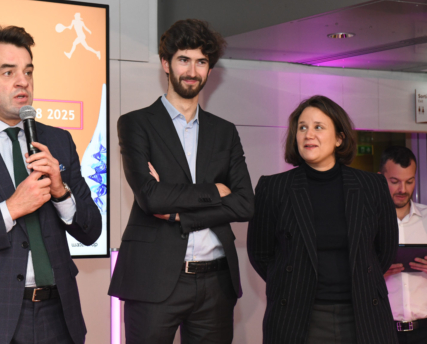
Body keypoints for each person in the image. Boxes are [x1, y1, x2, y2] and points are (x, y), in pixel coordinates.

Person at [0, 24, 102, 344]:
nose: (23, 81)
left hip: (58, 316)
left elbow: (91, 230)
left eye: (28, 71)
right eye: (8, 72)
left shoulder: (58, 141)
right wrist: (9, 210)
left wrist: (60, 193)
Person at [108, 19, 254, 344]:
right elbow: (151, 198)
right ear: (166, 63)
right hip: (152, 279)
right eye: (183, 59)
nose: (192, 70)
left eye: (201, 62)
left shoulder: (224, 131)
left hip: (216, 281)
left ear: (209, 70)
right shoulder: (135, 124)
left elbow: (245, 204)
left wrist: (180, 215)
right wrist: (216, 191)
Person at [247, 95, 398, 344]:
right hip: (297, 317)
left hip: (364, 315)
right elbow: (260, 254)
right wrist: (292, 283)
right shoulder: (272, 188)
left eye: (318, 127)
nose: (308, 134)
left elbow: (385, 250)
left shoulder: (372, 186)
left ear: (339, 138)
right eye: (302, 127)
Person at [381, 146, 427, 343]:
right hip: (382, 330)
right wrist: (374, 275)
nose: (403, 189)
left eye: (409, 181)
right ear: (380, 179)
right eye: (394, 181)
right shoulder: (366, 223)